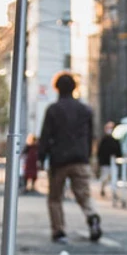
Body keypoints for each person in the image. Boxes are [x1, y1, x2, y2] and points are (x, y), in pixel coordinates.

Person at [38, 73, 102, 244]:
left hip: (59, 160)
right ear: (75, 88)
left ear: (57, 88)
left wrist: (41, 156)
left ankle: (59, 231)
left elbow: (46, 135)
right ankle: (92, 216)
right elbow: (90, 136)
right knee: (84, 195)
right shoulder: (85, 109)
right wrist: (87, 156)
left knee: (55, 198)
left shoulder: (53, 109)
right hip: (80, 158)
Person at [96, 121, 123, 198]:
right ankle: (102, 189)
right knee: (104, 178)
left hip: (114, 163)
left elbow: (119, 152)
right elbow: (100, 152)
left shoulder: (115, 141)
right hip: (105, 163)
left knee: (114, 178)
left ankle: (114, 192)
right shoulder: (103, 140)